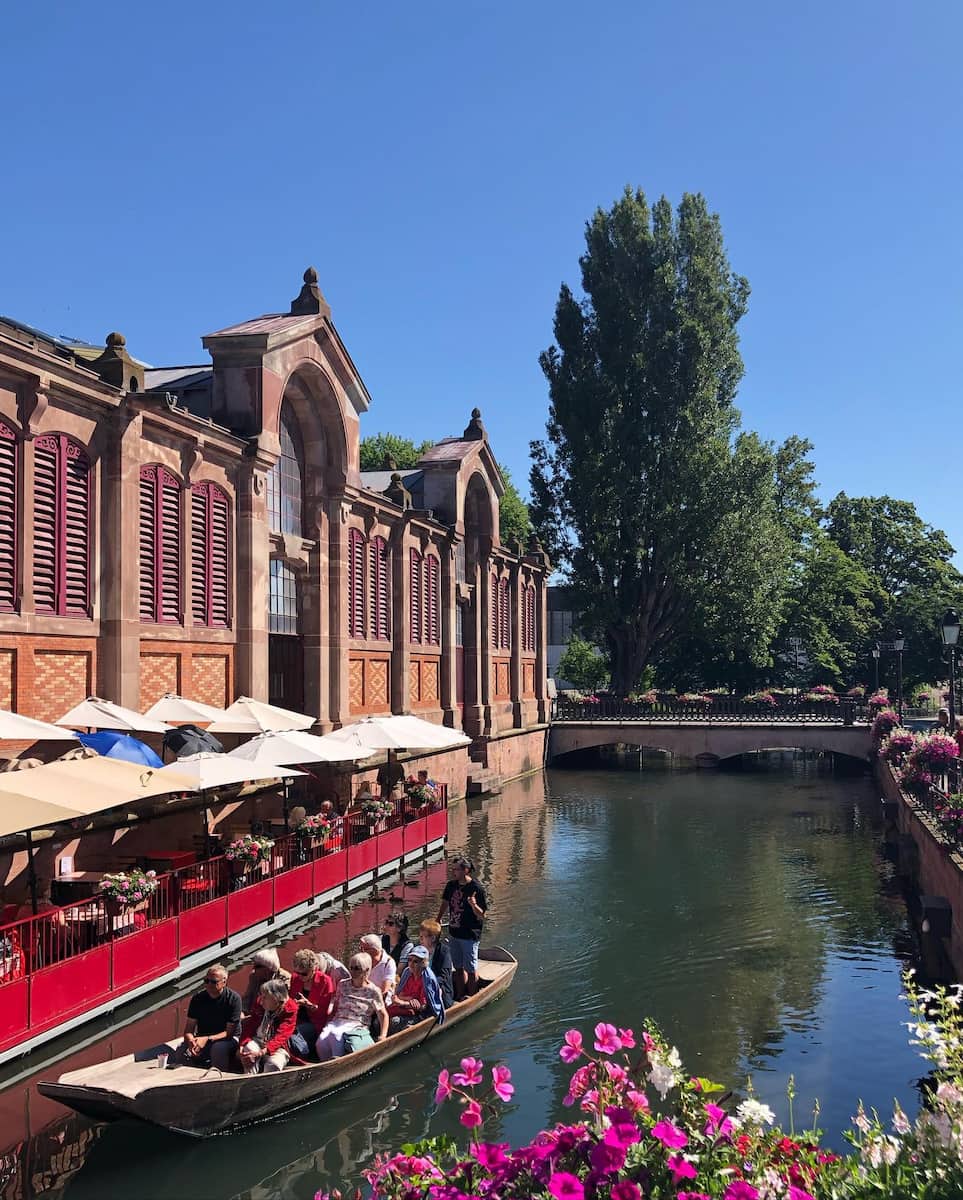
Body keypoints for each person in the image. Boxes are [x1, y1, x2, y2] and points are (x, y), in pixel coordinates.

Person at [314, 952, 388, 1059]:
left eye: (357, 968)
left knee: (337, 1037)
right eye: (351, 968)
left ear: (366, 970)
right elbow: (336, 1005)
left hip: (357, 1023)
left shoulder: (373, 990)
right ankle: (325, 1063)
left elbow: (383, 1014)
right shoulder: (343, 984)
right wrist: (328, 1020)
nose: (353, 971)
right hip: (338, 1020)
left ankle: (338, 1061)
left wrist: (383, 1035)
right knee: (321, 1042)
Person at [437, 856, 488, 1000]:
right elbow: (445, 902)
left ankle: (472, 996)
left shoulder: (476, 888)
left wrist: (473, 904)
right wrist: (438, 918)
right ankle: (460, 994)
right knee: (458, 968)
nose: (454, 872)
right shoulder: (451, 885)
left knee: (470, 969)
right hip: (454, 932)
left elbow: (482, 915)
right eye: (452, 869)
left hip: (470, 935)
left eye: (457, 869)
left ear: (466, 870)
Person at [177, 963, 242, 1068]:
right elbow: (189, 1029)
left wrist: (207, 1039)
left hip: (227, 1039)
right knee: (181, 1050)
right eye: (206, 981)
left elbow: (229, 1033)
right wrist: (191, 1041)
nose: (209, 985)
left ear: (224, 982)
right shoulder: (197, 998)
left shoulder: (233, 999)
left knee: (218, 1048)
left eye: (214, 982)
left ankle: (219, 1078)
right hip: (203, 1037)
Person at [238, 977, 299, 1073]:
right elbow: (251, 1025)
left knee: (273, 1065)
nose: (261, 1000)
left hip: (278, 1047)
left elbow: (281, 1036)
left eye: (265, 997)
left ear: (276, 999)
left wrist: (261, 1053)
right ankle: (250, 1080)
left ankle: (266, 1086)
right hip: (258, 1040)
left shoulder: (290, 1009)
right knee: (248, 1051)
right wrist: (242, 1044)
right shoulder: (260, 1003)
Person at [289, 947, 336, 1058]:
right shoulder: (295, 978)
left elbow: (323, 1013)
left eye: (304, 974)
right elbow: (291, 1000)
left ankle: (304, 1054)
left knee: (292, 1035)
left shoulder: (325, 981)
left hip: (316, 1022)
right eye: (297, 972)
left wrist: (308, 1004)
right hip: (298, 1018)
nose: (300, 976)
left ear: (314, 969)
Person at [386, 945, 445, 1031]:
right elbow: (398, 995)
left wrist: (402, 1002)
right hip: (406, 1009)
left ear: (423, 963)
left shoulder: (427, 979)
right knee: (378, 1020)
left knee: (395, 1022)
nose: (411, 964)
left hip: (420, 1014)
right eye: (409, 960)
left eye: (415, 961)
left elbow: (422, 1006)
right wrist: (410, 999)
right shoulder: (407, 973)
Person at [240, 947, 291, 1015]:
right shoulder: (254, 976)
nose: (254, 969)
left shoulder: (284, 979)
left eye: (257, 966)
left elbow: (282, 1005)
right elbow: (248, 998)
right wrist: (242, 1012)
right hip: (256, 1013)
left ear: (268, 968)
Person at [418, 918, 454, 1009]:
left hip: (440, 991)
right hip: (419, 989)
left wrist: (426, 983)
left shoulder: (444, 952)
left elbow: (444, 977)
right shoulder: (419, 950)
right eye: (420, 936)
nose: (420, 939)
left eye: (423, 937)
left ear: (433, 938)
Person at [360, 933, 396, 1000]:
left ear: (374, 950)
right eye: (361, 948)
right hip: (364, 997)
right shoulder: (362, 961)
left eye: (364, 949)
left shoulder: (388, 963)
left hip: (382, 1000)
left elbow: (385, 990)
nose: (361, 951)